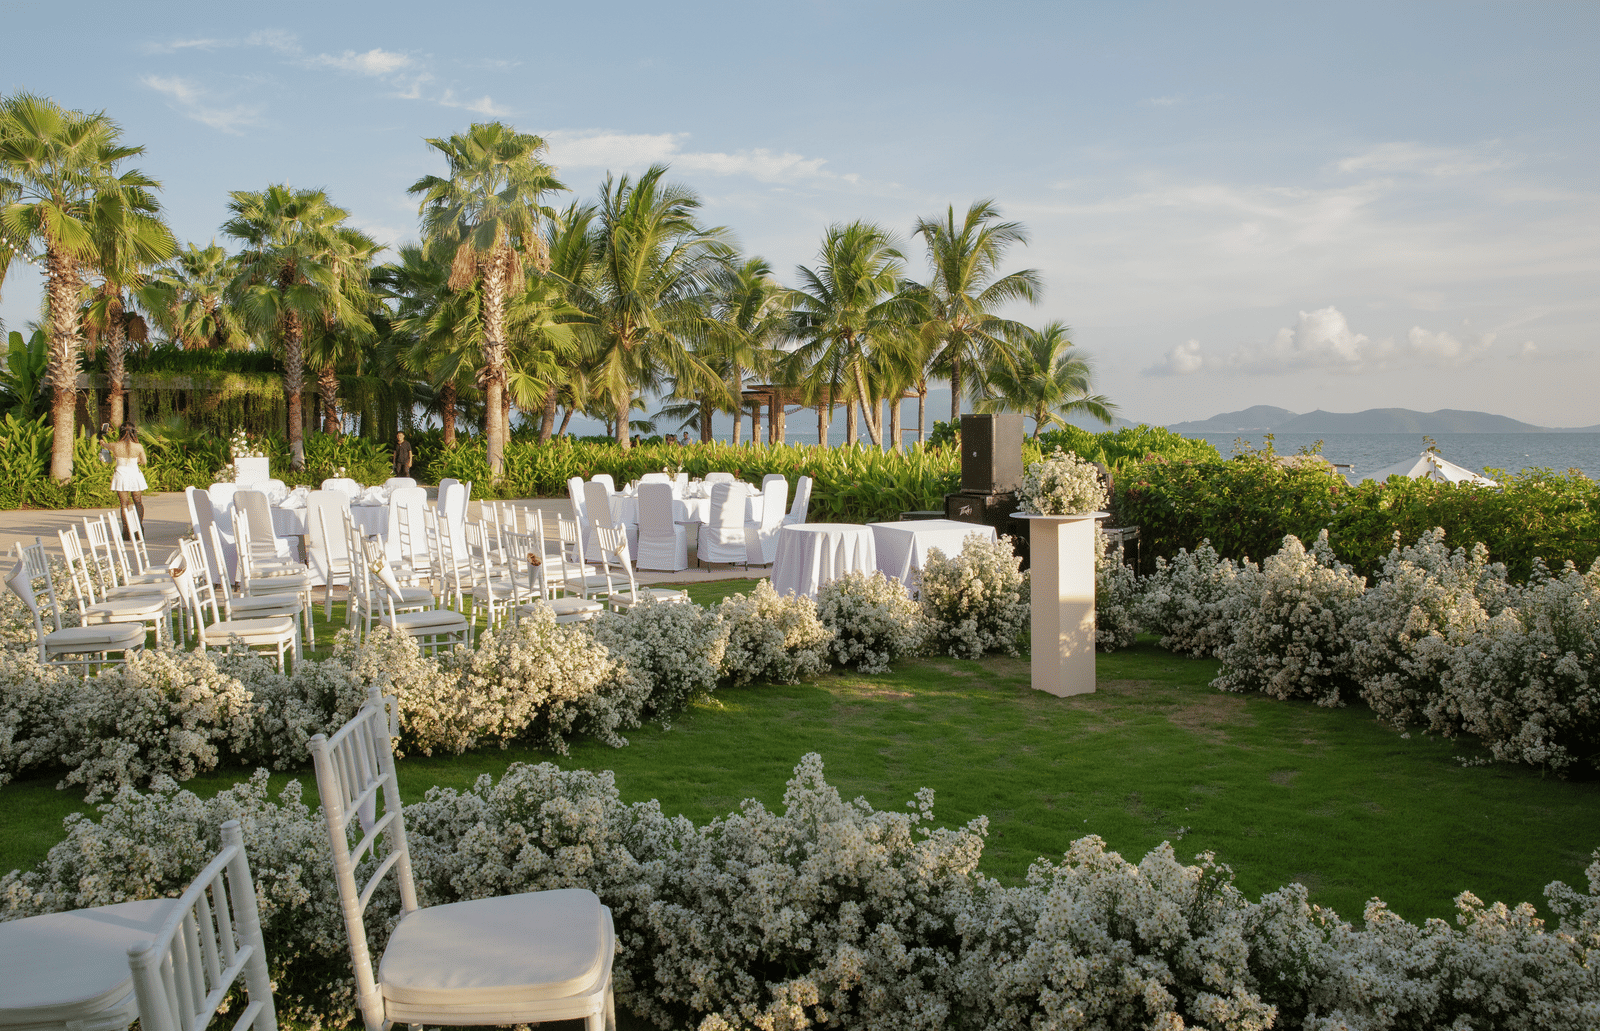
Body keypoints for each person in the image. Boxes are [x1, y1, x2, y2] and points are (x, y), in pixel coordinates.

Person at [108, 423, 148, 540]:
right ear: (134, 432)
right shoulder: (138, 446)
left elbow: (105, 445)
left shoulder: (115, 446)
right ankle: (139, 529)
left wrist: (102, 442)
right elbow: (144, 461)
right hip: (135, 475)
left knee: (124, 503)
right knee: (138, 501)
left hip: (120, 475)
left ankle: (126, 530)